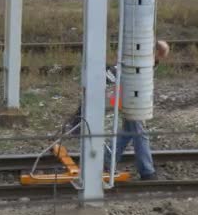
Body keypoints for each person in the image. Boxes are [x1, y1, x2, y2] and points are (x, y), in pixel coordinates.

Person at [67, 40, 170, 180]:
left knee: (128, 131)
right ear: (155, 52)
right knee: (140, 133)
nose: (160, 59)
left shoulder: (148, 62)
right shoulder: (138, 60)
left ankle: (107, 161)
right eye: (161, 55)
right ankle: (147, 172)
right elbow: (112, 74)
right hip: (128, 101)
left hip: (129, 100)